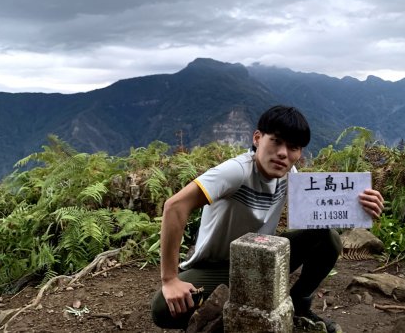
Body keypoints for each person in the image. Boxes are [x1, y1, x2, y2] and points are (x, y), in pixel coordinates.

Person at [151, 105, 384, 332]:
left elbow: (317, 211)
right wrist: (170, 279)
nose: (283, 153)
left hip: (263, 258)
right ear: (257, 138)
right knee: (163, 309)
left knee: (327, 237)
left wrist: (358, 204)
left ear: (299, 153)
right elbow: (175, 206)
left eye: (293, 147)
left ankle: (299, 306)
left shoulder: (289, 174)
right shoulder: (237, 171)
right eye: (276, 141)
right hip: (219, 266)